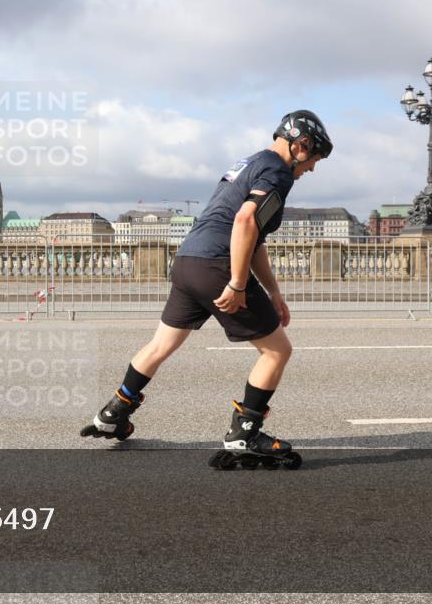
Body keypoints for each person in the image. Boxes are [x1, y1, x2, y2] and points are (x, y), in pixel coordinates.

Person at [81, 110, 333, 461]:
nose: (312, 170)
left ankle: (113, 413)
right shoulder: (277, 172)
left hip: (188, 261)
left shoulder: (248, 163)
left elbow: (253, 238)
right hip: (217, 264)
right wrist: (238, 283)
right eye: (314, 160)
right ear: (301, 145)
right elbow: (245, 222)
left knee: (161, 344)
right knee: (277, 351)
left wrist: (274, 293)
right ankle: (244, 434)